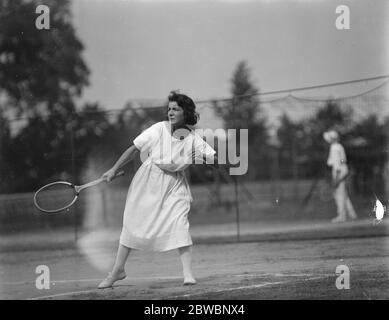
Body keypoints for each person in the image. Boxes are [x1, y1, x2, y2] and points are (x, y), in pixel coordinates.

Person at [98, 91, 217, 289]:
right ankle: (117, 271)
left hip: (175, 187)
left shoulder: (193, 138)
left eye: (175, 109)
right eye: (169, 109)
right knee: (132, 224)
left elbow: (216, 161)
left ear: (185, 112)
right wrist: (113, 169)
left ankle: (188, 274)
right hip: (148, 183)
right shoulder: (157, 129)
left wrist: (203, 157)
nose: (170, 112)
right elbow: (133, 149)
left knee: (180, 223)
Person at [323, 130, 357, 223]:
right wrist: (343, 170)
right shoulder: (339, 146)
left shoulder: (334, 147)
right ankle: (351, 214)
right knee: (343, 194)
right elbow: (342, 160)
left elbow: (337, 163)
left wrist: (337, 177)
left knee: (339, 194)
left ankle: (342, 215)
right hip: (343, 170)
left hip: (339, 171)